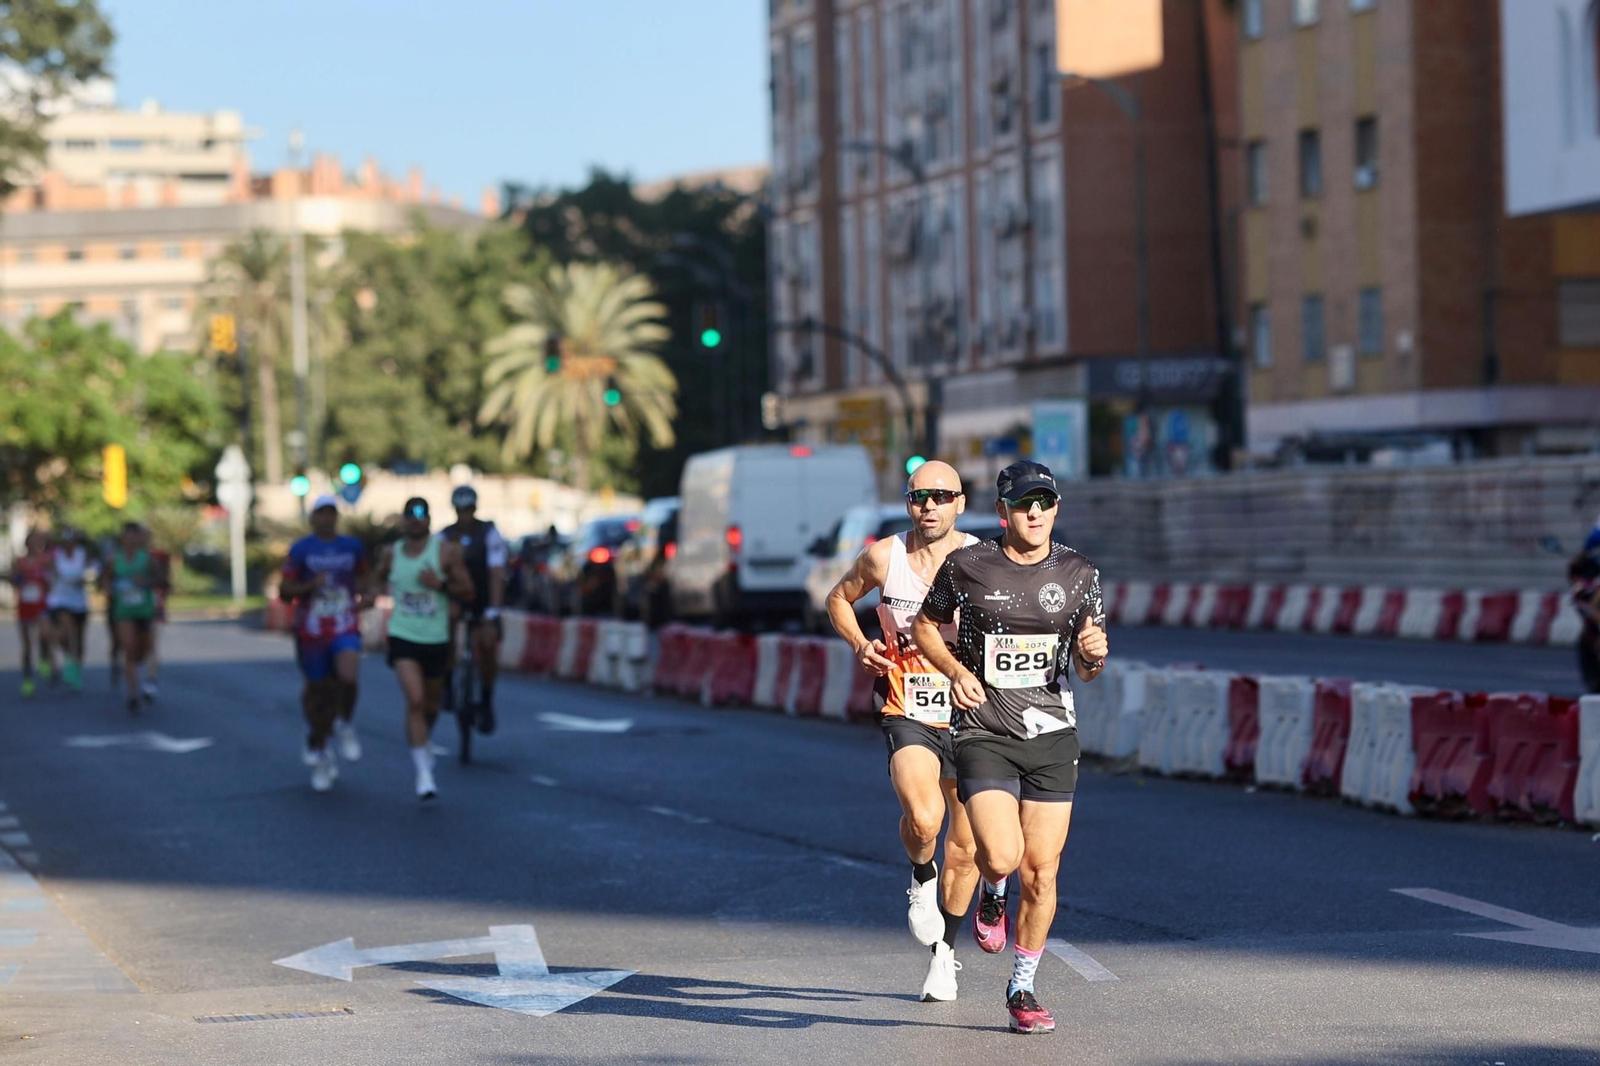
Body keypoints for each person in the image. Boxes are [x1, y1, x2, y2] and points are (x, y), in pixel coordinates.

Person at [912, 460, 1109, 1035]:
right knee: (999, 857)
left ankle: (1021, 987)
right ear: (1002, 512)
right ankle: (993, 892)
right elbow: (926, 626)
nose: (1035, 513)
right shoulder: (967, 566)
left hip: (1051, 735)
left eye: (1045, 503)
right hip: (984, 730)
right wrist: (953, 670)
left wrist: (1093, 655)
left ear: (1056, 509)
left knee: (1043, 873)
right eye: (1024, 504)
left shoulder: (1080, 572)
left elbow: (1087, 665)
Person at [825, 460, 981, 1002]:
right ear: (908, 502)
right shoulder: (884, 557)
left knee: (966, 847)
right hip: (906, 703)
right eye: (920, 497)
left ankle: (946, 954)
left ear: (960, 502)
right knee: (924, 816)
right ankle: (920, 875)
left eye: (942, 497)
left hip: (972, 713)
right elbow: (838, 599)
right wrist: (860, 644)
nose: (929, 506)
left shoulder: (981, 560)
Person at [372, 497, 474, 800]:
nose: (416, 520)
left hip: (437, 638)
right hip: (403, 635)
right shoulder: (391, 554)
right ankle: (424, 774)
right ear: (402, 520)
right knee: (415, 700)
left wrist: (439, 585)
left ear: (429, 520)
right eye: (410, 515)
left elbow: (468, 590)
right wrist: (367, 596)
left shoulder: (445, 553)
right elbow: (375, 582)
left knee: (431, 705)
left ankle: (423, 740)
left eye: (421, 515)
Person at [280, 496, 370, 792]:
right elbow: (285, 590)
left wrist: (367, 597)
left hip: (344, 624)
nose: (327, 518)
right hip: (312, 630)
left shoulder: (352, 547)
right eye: (321, 513)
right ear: (313, 517)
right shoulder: (301, 549)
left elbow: (366, 579)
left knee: (348, 676)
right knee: (318, 694)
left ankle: (344, 723)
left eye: (332, 512)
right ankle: (321, 751)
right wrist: (309, 586)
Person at [437, 484, 508, 733]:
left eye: (468, 510)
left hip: (483, 599)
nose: (464, 515)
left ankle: (487, 699)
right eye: (460, 510)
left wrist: (493, 611)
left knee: (487, 645)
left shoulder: (489, 534)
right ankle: (447, 684)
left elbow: (496, 574)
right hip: (455, 596)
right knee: (444, 632)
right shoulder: (444, 536)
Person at [103, 522, 161, 714]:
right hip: (123, 611)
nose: (129, 540)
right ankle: (133, 694)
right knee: (128, 648)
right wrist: (109, 589)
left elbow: (161, 579)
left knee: (142, 651)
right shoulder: (113, 559)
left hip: (143, 611)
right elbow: (104, 579)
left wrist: (146, 582)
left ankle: (144, 679)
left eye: (133, 536)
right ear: (122, 538)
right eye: (126, 536)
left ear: (138, 538)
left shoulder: (148, 559)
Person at [47, 526, 92, 692]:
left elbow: (90, 573)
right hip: (60, 600)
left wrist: (83, 579)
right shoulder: (56, 556)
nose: (69, 544)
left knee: (79, 639)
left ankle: (76, 670)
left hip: (79, 602)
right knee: (64, 633)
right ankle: (68, 659)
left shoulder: (82, 554)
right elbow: (51, 573)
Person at [10, 532, 55, 697]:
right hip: (24, 605)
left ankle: (43, 659)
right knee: (27, 645)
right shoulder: (19, 561)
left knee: (44, 634)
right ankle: (28, 679)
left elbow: (51, 580)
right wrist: (19, 578)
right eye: (33, 542)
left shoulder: (45, 560)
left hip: (40, 604)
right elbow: (13, 579)